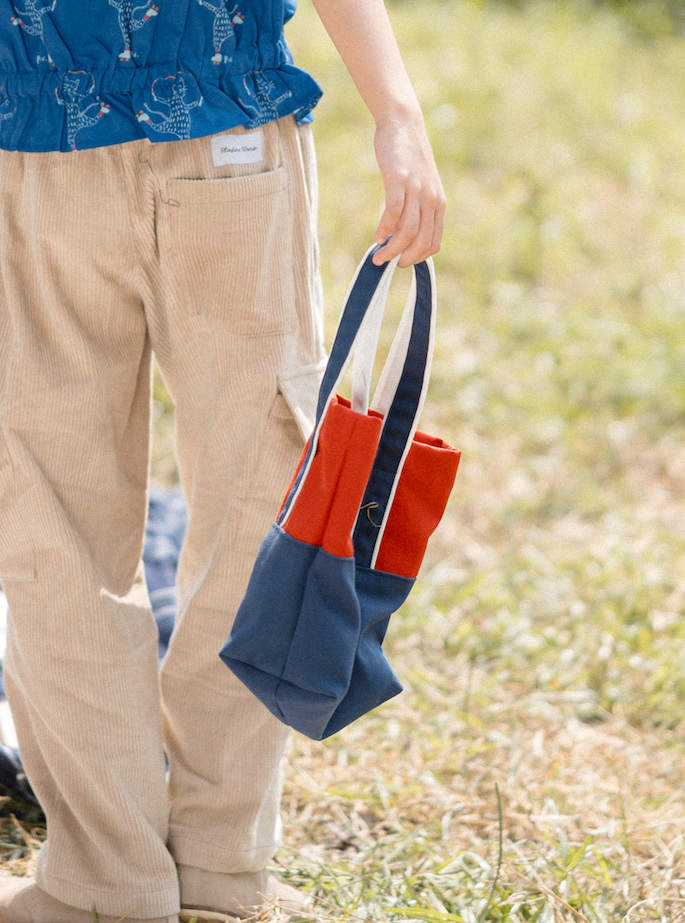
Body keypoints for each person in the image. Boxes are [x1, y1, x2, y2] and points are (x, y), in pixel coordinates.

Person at [0, 0, 445, 921]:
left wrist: (400, 114)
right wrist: (396, 113)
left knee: (68, 526)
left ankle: (133, 879)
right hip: (180, 129)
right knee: (227, 506)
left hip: (75, 138)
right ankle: (188, 866)